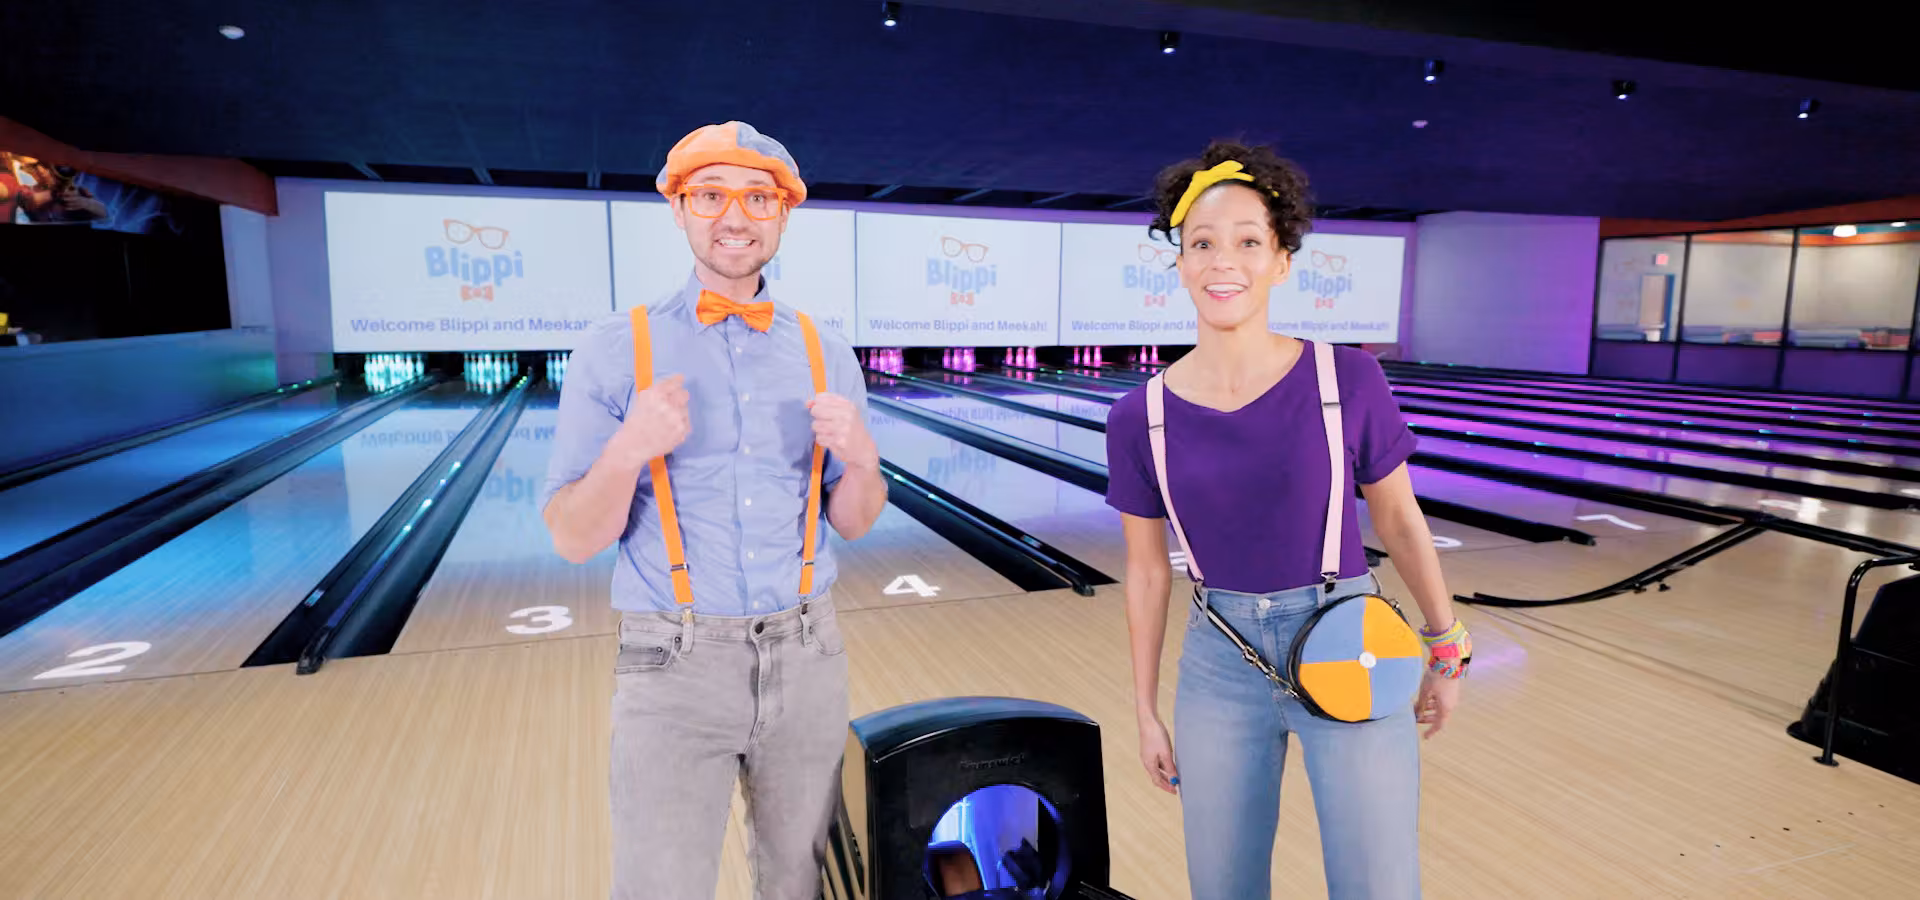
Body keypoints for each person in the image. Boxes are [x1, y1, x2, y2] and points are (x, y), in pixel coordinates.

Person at [1102, 140, 1470, 899]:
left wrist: (1446, 644)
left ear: (1282, 262)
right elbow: (1145, 573)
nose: (1223, 261)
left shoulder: (1349, 378)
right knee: (1223, 887)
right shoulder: (1140, 415)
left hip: (1350, 637)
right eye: (1202, 243)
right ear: (1180, 263)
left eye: (1248, 242)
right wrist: (1143, 710)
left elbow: (1399, 519)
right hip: (1218, 658)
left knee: (1377, 885)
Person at [541, 121, 887, 900]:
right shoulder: (613, 348)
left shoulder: (826, 350)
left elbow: (856, 519)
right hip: (673, 663)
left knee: (800, 885)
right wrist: (627, 449)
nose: (735, 216)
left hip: (809, 653)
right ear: (678, 209)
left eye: (758, 197)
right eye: (710, 195)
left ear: (784, 213)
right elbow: (571, 538)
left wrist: (865, 459)